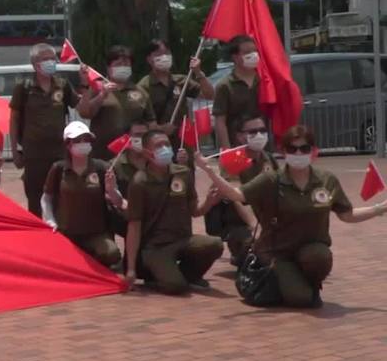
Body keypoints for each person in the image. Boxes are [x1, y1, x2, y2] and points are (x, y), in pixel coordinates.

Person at [197, 125, 386, 308]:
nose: (298, 154)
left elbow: (348, 215)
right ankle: (286, 282)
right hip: (278, 253)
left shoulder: (327, 180)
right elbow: (237, 195)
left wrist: (380, 208)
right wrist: (210, 171)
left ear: (313, 151)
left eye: (304, 148)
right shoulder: (272, 179)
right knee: (301, 299)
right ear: (283, 151)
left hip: (310, 248)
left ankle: (304, 282)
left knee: (321, 257)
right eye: (292, 149)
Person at [123, 130, 223, 294]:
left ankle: (188, 276)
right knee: (176, 288)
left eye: (167, 144)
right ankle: (157, 277)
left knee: (214, 244)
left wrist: (209, 202)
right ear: (147, 153)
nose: (164, 149)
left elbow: (195, 211)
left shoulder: (183, 173)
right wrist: (131, 269)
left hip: (183, 239)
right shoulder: (139, 182)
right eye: (158, 146)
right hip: (156, 247)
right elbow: (134, 225)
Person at [9, 43, 80, 216]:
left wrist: (86, 84)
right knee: (35, 199)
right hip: (34, 155)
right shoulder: (24, 87)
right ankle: (39, 237)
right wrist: (15, 152)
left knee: (62, 196)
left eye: (52, 58)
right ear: (34, 64)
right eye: (45, 59)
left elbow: (81, 106)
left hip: (59, 152)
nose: (50, 62)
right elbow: (14, 119)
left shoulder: (62, 85)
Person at [41, 122, 122, 268]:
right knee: (53, 262)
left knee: (112, 254)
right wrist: (50, 221)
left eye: (86, 140)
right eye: (77, 140)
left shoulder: (101, 167)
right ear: (68, 144)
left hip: (96, 233)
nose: (83, 144)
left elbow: (118, 201)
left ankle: (88, 256)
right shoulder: (58, 169)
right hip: (67, 233)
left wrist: (111, 190)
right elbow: (47, 198)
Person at [208, 114, 276, 265]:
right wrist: (254, 226)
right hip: (239, 222)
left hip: (266, 219)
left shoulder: (269, 158)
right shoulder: (232, 159)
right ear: (239, 136)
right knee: (258, 251)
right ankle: (239, 253)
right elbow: (237, 197)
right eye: (252, 132)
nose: (259, 135)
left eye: (262, 130)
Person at [79, 45, 156, 160]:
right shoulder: (96, 88)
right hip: (102, 154)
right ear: (109, 68)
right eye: (118, 64)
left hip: (132, 156)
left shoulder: (140, 92)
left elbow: (151, 122)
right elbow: (84, 113)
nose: (123, 67)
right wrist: (101, 96)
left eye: (126, 64)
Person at [135, 39, 214, 141]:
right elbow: (139, 120)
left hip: (184, 142)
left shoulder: (181, 81)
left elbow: (209, 95)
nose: (164, 57)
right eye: (158, 54)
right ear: (149, 59)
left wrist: (198, 73)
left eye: (167, 53)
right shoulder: (143, 86)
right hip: (158, 142)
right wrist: (161, 129)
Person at [213, 34, 263, 149]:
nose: (254, 55)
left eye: (255, 51)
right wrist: (227, 149)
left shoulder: (265, 81)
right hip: (237, 146)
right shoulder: (225, 86)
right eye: (247, 52)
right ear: (235, 57)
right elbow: (220, 121)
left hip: (263, 145)